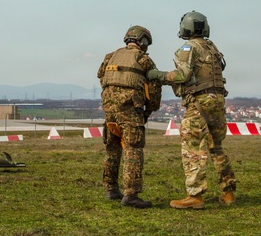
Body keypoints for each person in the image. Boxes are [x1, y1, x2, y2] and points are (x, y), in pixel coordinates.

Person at [148, 11, 236, 209]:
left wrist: (159, 75)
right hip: (218, 100)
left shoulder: (188, 47)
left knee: (193, 148)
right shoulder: (212, 48)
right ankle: (228, 192)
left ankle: (195, 196)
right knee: (217, 147)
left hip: (199, 102)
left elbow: (183, 75)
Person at [96, 25, 162, 208]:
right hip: (130, 112)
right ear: (143, 41)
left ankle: (110, 188)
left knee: (112, 150)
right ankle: (131, 194)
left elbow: (101, 76)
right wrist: (149, 109)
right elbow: (155, 88)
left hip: (110, 111)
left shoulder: (110, 56)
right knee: (133, 150)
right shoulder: (144, 60)